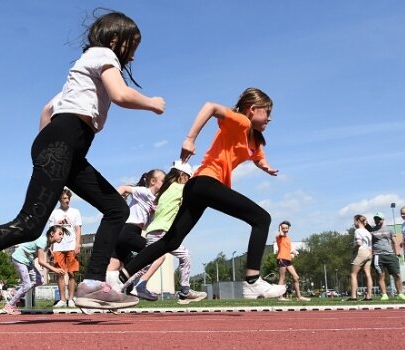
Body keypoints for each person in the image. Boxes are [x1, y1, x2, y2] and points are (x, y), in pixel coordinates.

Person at [0, 10, 165, 319]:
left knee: (117, 209)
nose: (133, 54)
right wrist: (152, 103)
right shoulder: (103, 54)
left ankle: (92, 282)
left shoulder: (82, 71)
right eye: (133, 45)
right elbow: (120, 94)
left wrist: (48, 151)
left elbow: (47, 108)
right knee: (29, 224)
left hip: (66, 148)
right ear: (116, 39)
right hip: (63, 143)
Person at [119, 88, 286, 300]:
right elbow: (211, 106)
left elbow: (256, 156)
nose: (270, 118)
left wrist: (265, 166)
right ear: (252, 110)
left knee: (171, 241)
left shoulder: (253, 138)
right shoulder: (241, 122)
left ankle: (120, 278)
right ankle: (252, 280)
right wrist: (190, 139)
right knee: (262, 218)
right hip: (207, 182)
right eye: (267, 112)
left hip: (196, 187)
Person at [132, 161, 206, 304]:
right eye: (188, 178)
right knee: (185, 256)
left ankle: (124, 285)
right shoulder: (180, 188)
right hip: (163, 232)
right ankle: (185, 290)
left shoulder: (165, 190)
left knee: (144, 264)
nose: (188, 182)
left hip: (154, 231)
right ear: (182, 176)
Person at [107, 169, 164, 300]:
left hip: (125, 232)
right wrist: (112, 204)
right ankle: (140, 287)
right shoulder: (144, 191)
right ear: (153, 181)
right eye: (163, 181)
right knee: (159, 255)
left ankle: (102, 296)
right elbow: (123, 188)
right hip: (128, 231)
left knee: (114, 266)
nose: (165, 184)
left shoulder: (154, 200)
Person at [4, 225, 68, 315]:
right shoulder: (43, 242)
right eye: (60, 234)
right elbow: (41, 261)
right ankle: (9, 305)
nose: (62, 236)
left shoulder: (48, 243)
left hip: (28, 261)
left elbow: (39, 249)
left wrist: (49, 251)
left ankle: (15, 292)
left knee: (40, 280)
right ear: (52, 234)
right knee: (26, 285)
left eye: (63, 234)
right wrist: (55, 269)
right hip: (19, 259)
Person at [47, 189, 83, 308]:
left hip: (71, 246)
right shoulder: (54, 213)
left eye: (68, 198)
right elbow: (51, 232)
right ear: (60, 200)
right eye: (64, 198)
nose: (67, 201)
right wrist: (50, 247)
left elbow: (78, 229)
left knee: (72, 273)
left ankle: (71, 299)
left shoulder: (75, 212)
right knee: (60, 274)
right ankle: (63, 299)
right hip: (58, 247)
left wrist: (78, 244)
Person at [369, 212, 405, 300]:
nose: (377, 221)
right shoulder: (372, 231)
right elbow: (370, 244)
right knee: (381, 275)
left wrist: (397, 253)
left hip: (390, 255)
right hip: (377, 255)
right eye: (375, 219)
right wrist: (371, 254)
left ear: (383, 219)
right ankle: (384, 294)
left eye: (379, 219)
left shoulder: (389, 229)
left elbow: (394, 242)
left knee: (397, 275)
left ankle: (400, 294)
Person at [275, 221, 309, 301]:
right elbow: (281, 234)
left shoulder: (288, 238)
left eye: (286, 228)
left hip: (288, 259)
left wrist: (293, 252)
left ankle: (299, 297)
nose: (285, 229)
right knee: (282, 278)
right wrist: (280, 227)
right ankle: (280, 297)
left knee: (296, 277)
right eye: (283, 228)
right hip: (281, 258)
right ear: (280, 228)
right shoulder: (279, 236)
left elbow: (288, 249)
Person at [348, 215, 373, 301]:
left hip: (361, 251)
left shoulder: (357, 231)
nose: (354, 223)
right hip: (369, 253)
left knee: (353, 274)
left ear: (358, 221)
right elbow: (370, 245)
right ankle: (369, 295)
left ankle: (353, 296)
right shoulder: (368, 232)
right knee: (368, 274)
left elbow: (359, 243)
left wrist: (353, 250)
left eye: (354, 221)